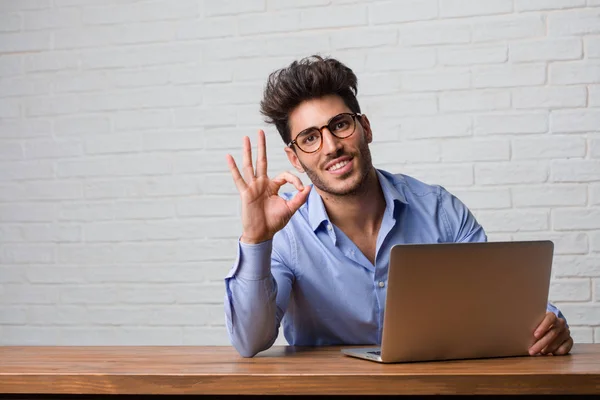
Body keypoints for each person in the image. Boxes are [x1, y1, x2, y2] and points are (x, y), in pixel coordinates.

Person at [224, 55, 573, 358]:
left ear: (365, 128)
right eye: (310, 138)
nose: (330, 146)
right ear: (295, 157)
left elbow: (502, 296)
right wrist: (255, 238)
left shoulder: (440, 211)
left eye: (341, 125)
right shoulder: (286, 232)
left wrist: (547, 322)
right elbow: (250, 341)